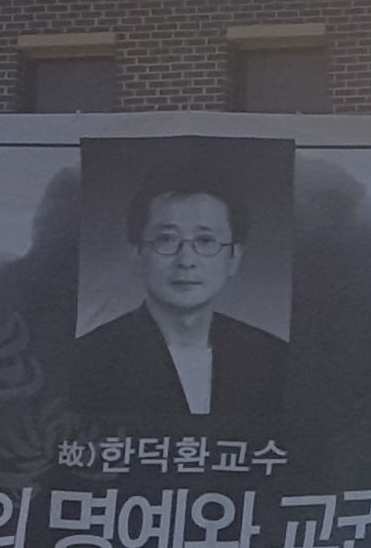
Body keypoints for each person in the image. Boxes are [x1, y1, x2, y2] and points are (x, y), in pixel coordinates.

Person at [68, 168, 285, 437]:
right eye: (167, 239)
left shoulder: (275, 361)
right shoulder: (86, 363)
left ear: (234, 258)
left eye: (205, 241)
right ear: (137, 252)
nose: (186, 261)